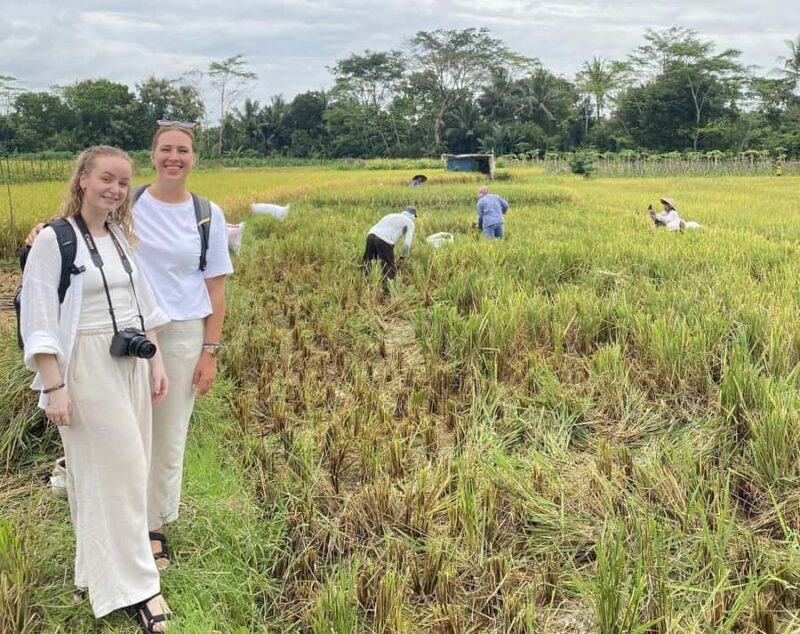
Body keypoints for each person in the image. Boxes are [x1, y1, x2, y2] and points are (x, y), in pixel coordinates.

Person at [26, 122, 234, 572]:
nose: (173, 157)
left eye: (183, 150)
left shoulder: (206, 214)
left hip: (177, 333)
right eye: (165, 149)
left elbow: (215, 286)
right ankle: (111, 521)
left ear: (193, 158)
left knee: (167, 433)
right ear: (153, 154)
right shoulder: (129, 201)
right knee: (122, 429)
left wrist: (210, 350)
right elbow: (81, 233)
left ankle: (153, 526)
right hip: (112, 330)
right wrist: (46, 231)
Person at [20, 146, 173, 631]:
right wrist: (55, 386)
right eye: (107, 178)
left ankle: (94, 571)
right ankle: (141, 588)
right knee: (122, 474)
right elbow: (39, 317)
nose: (115, 189)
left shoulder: (122, 238)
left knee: (116, 472)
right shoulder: (54, 240)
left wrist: (157, 362)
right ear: (83, 179)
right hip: (85, 365)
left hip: (129, 363)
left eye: (124, 183)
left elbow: (143, 305)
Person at [362, 205, 417, 281]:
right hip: (384, 240)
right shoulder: (409, 222)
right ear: (413, 216)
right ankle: (388, 290)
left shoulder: (391, 215)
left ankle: (364, 281)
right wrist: (402, 257)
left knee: (368, 260)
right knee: (388, 267)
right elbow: (407, 244)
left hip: (371, 235)